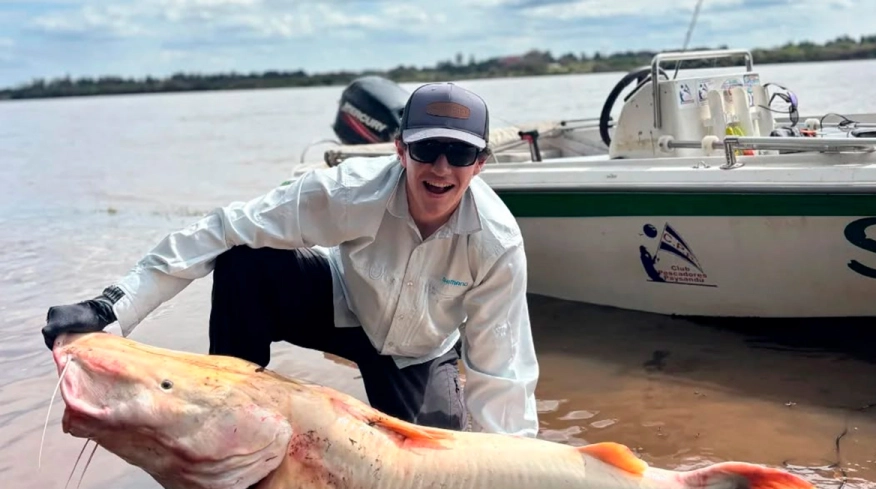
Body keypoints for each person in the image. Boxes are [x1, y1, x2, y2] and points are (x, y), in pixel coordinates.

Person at [41, 82, 540, 437]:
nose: (440, 167)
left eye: (458, 153)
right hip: (345, 310)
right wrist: (112, 306)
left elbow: (504, 367)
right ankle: (229, 419)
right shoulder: (349, 192)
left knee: (441, 466)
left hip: (421, 351)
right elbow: (221, 228)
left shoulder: (497, 242)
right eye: (427, 148)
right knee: (245, 259)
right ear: (399, 148)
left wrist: (519, 467)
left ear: (480, 163)